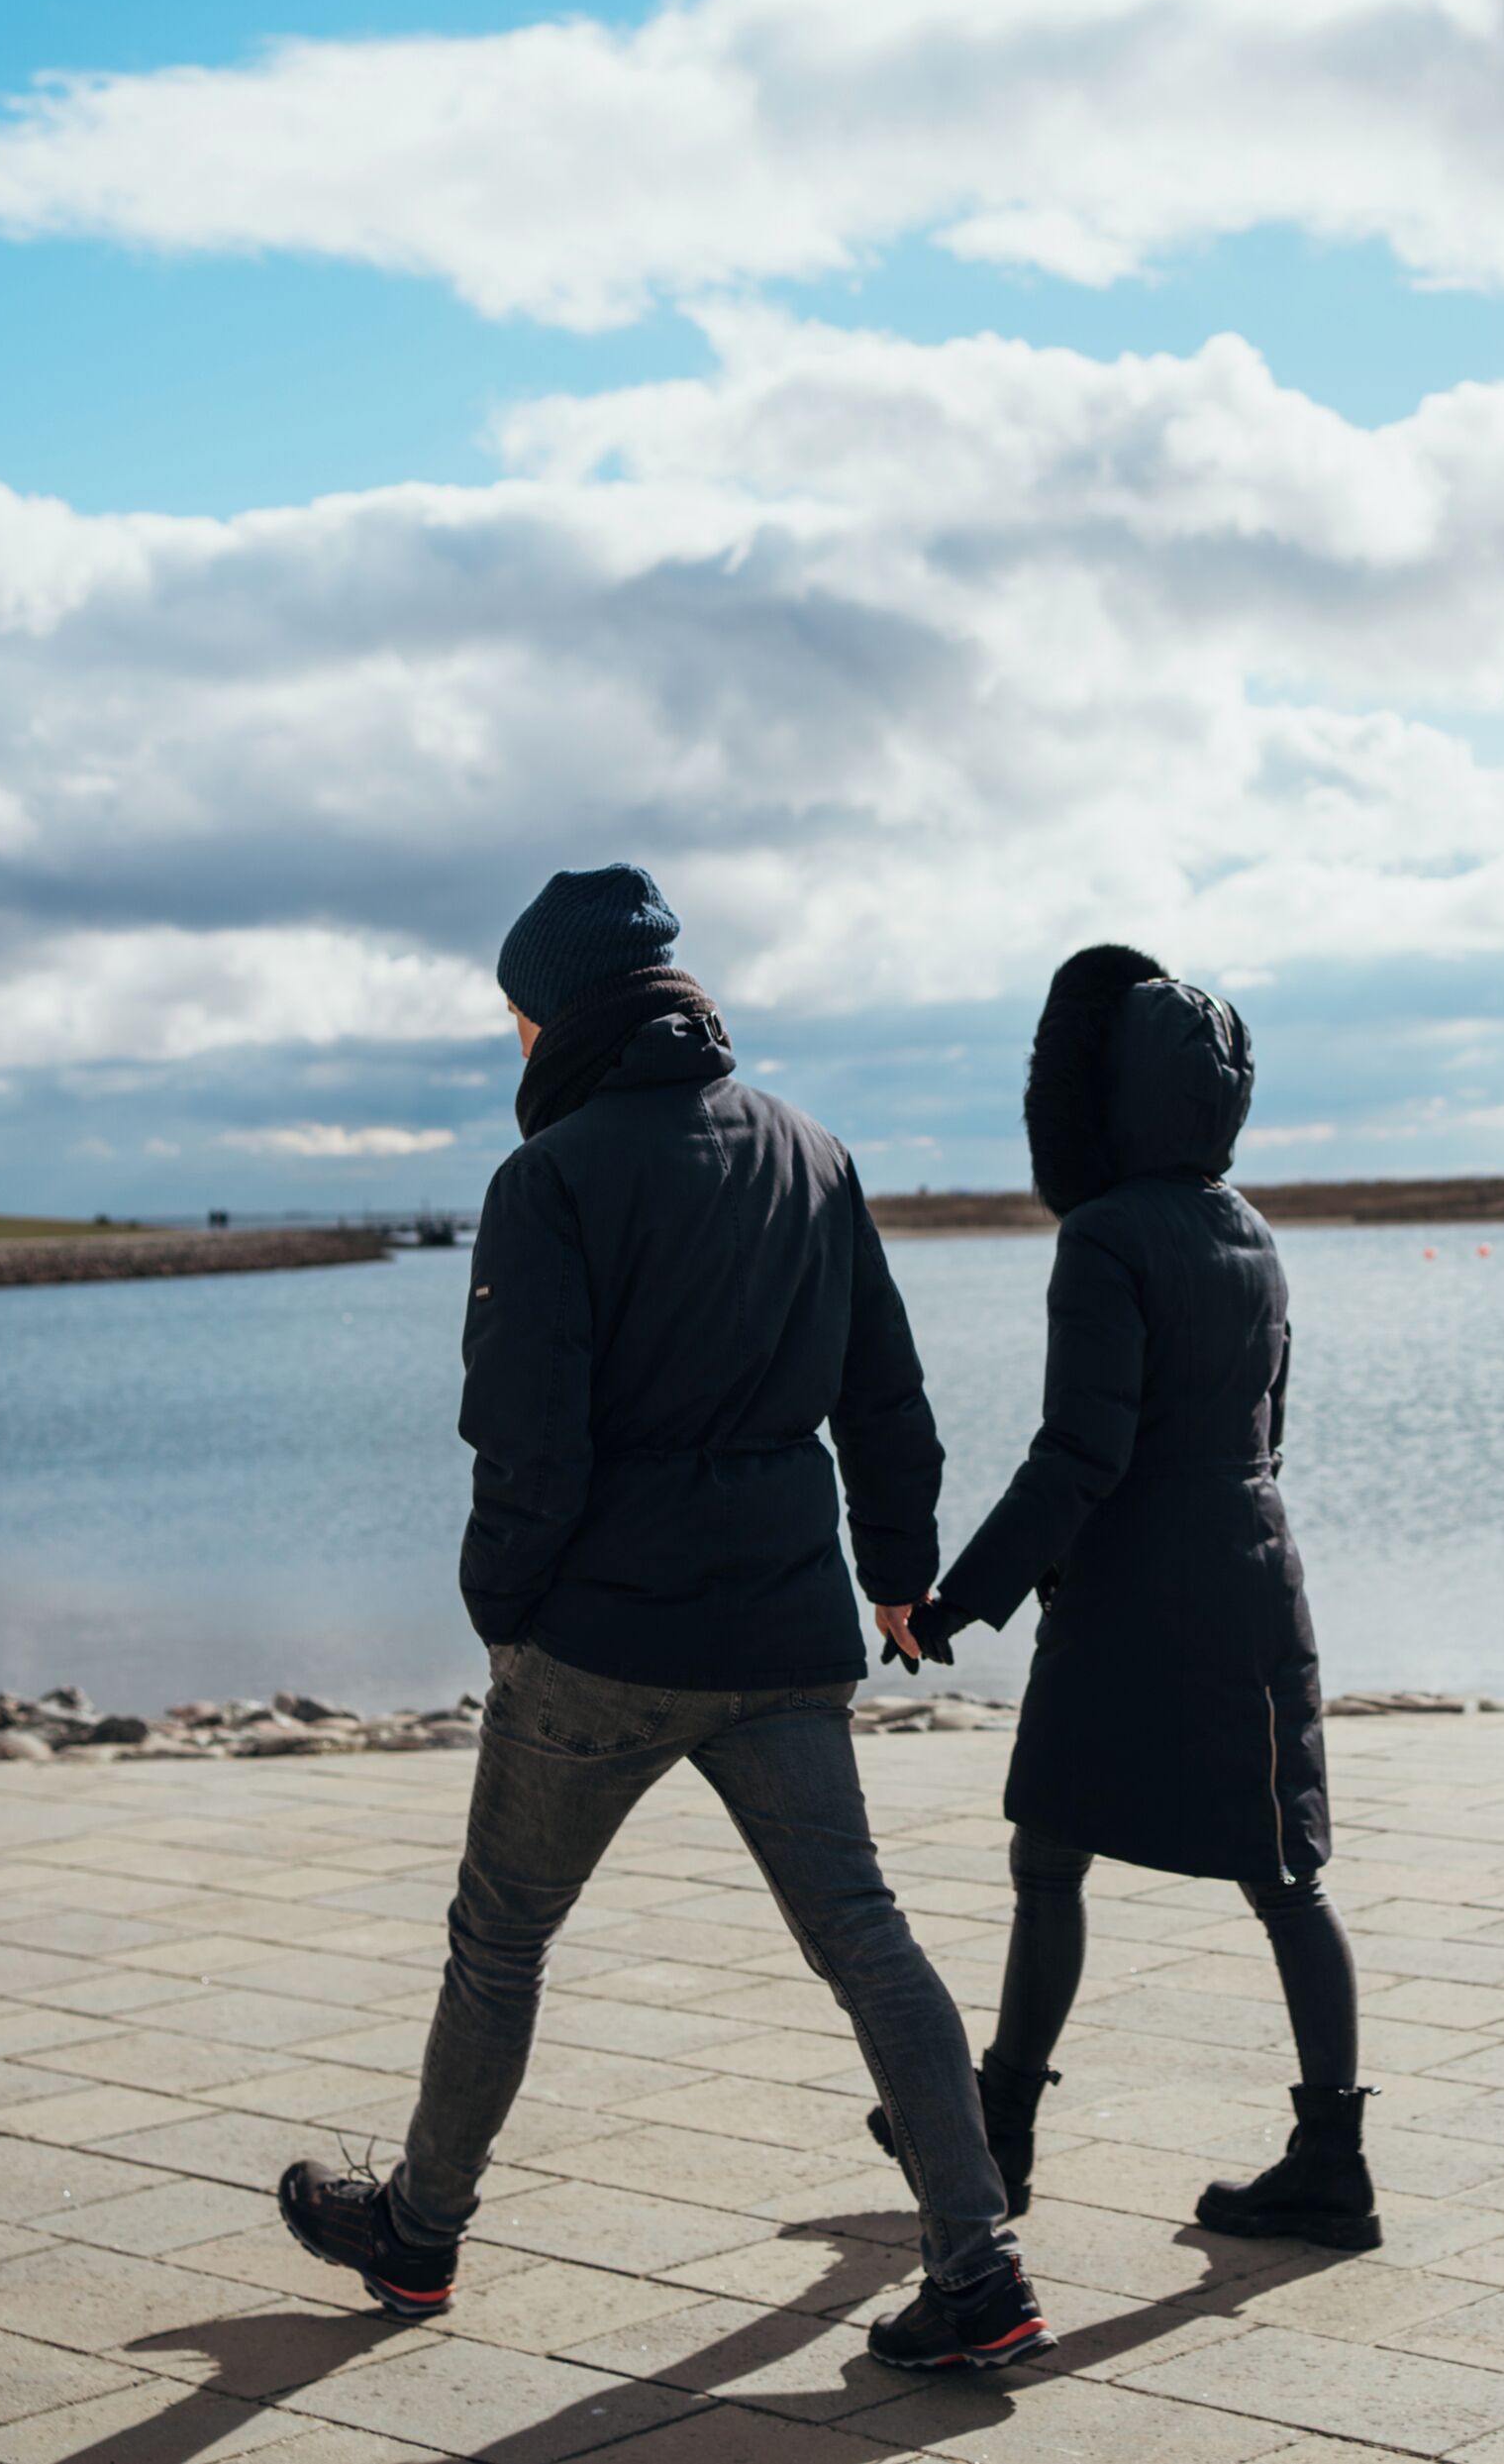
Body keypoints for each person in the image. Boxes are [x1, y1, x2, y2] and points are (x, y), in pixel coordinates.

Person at [276, 864, 1053, 2373]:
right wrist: (896, 1574)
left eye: (515, 1018)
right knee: (864, 1932)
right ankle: (980, 2264)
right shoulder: (811, 1152)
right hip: (783, 1631)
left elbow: (527, 1443)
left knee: (501, 1940)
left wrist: (503, 1611)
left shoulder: (549, 1178)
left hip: (602, 1644)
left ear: (555, 1013)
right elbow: (887, 1397)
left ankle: (420, 2236)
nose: (514, 1044)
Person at [879, 945, 1375, 2248]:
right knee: (1285, 1869)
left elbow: (1081, 1455)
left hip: (1128, 1592)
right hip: (1255, 1578)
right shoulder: (1253, 1234)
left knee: (1051, 1855)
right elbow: (1267, 1435)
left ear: (1114, 1096)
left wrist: (957, 1599)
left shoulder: (1102, 1235)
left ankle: (1005, 2130)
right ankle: (1331, 2157)